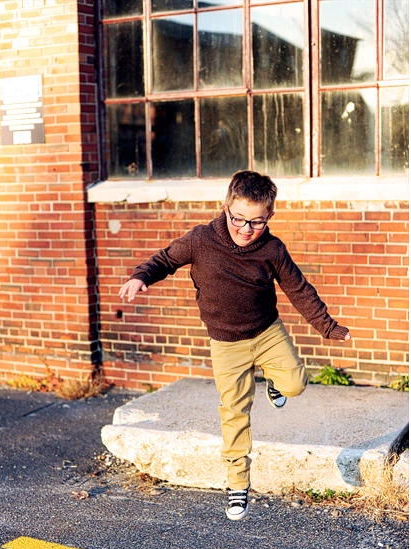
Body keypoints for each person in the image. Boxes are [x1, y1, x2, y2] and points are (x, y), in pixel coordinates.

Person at [118, 170, 351, 521]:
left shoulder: (272, 249)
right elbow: (164, 259)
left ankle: (274, 380)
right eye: (238, 218)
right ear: (225, 208)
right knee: (235, 414)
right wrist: (140, 276)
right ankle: (237, 482)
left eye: (256, 222)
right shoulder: (200, 240)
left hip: (267, 332)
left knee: (296, 384)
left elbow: (299, 290)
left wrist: (328, 327)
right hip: (226, 345)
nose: (245, 229)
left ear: (269, 216)